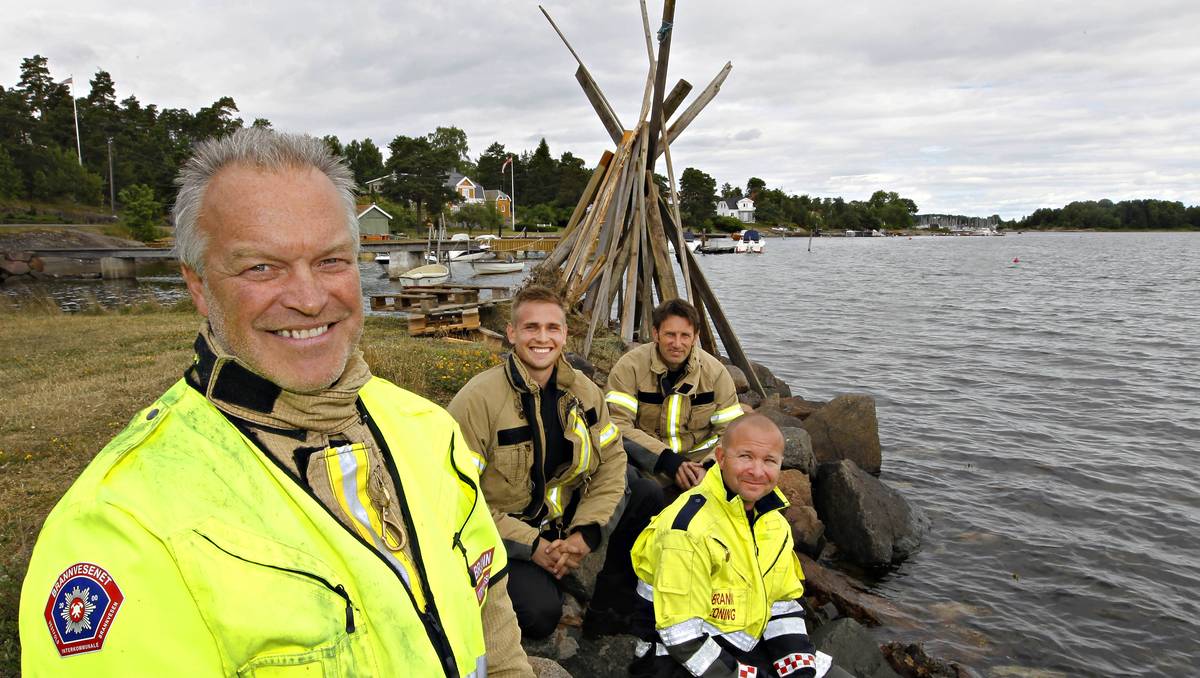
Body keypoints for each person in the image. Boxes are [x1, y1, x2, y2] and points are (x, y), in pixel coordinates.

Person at [19, 128, 531, 677]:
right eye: (261, 267)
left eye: (332, 260)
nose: (310, 299)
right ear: (197, 285)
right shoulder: (125, 526)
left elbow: (489, 606)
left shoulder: (428, 429)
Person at [448, 285, 664, 639]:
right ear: (512, 333)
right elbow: (458, 501)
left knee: (647, 494)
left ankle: (607, 607)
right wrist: (532, 546)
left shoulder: (585, 392)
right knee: (539, 616)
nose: (542, 338)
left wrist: (587, 532)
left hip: (563, 518)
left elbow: (611, 461)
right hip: (507, 528)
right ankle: (539, 579)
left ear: (565, 334)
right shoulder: (477, 400)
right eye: (531, 328)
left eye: (552, 328)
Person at [628, 414, 836, 678]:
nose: (757, 471)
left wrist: (799, 671)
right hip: (672, 657)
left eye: (769, 460)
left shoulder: (773, 523)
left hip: (743, 644)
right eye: (746, 457)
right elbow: (681, 637)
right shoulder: (687, 527)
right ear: (721, 457)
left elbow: (782, 605)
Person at [606, 299, 744, 492]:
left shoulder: (716, 373)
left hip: (699, 466)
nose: (677, 344)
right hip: (648, 463)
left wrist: (708, 467)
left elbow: (732, 431)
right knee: (619, 481)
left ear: (695, 336)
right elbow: (616, 424)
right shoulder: (630, 367)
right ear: (656, 333)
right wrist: (668, 460)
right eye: (670, 334)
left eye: (685, 336)